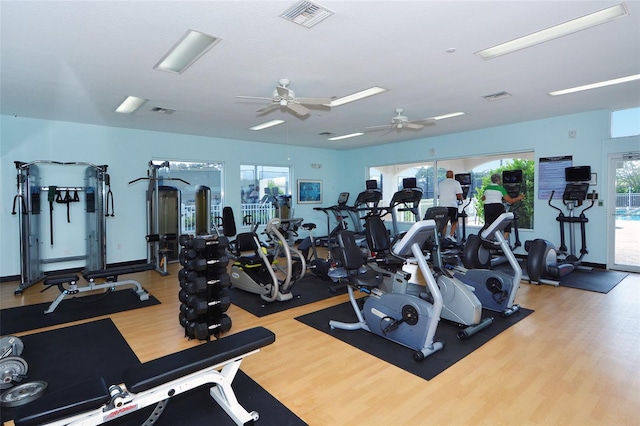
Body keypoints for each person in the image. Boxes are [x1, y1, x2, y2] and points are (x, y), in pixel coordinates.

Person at [481, 173, 525, 240]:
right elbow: (510, 201)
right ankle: (504, 241)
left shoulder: (487, 188)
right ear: (499, 180)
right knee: (507, 222)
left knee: (489, 226)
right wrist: (520, 197)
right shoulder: (501, 189)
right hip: (497, 207)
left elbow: (483, 198)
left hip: (487, 208)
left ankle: (489, 242)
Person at [438, 170, 463, 243]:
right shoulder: (456, 183)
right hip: (452, 205)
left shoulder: (441, 183)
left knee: (444, 222)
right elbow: (459, 195)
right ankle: (450, 236)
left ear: (446, 176)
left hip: (442, 205)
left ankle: (443, 237)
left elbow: (439, 194)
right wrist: (461, 198)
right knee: (454, 222)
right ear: (453, 175)